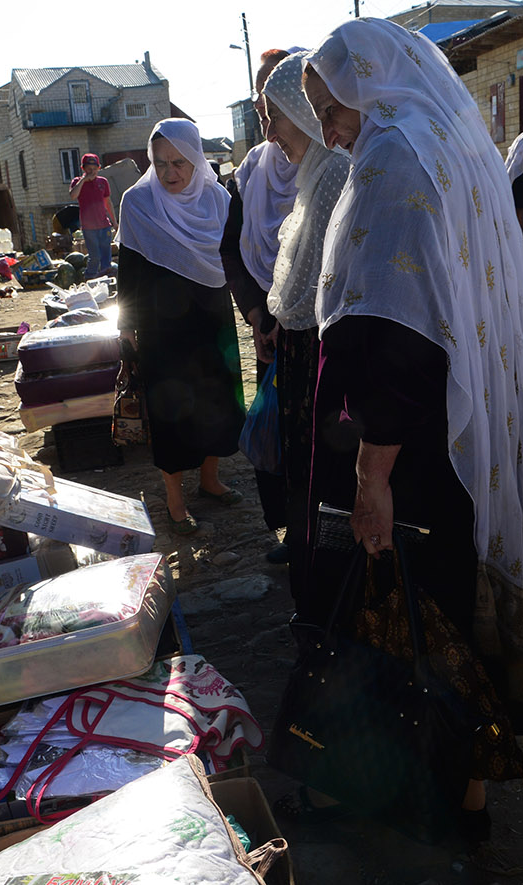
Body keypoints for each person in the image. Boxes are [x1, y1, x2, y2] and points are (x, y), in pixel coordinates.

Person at [291, 18, 523, 846]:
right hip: (453, 429)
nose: (330, 130)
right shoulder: (450, 141)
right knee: (449, 605)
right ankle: (468, 794)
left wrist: (371, 480)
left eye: (333, 107)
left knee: (407, 619)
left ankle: (398, 787)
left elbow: (397, 339)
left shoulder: (394, 155)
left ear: (370, 84)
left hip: (408, 447)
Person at [116, 119, 245, 536]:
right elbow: (129, 269)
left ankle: (210, 479)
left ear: (197, 160)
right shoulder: (138, 203)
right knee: (171, 408)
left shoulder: (219, 201)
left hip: (211, 315)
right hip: (160, 323)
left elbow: (235, 260)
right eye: (160, 163)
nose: (170, 173)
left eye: (179, 162)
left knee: (217, 397)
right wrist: (127, 326)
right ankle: (174, 499)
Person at [260, 49, 351, 610]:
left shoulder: (335, 169)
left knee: (320, 477)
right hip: (302, 345)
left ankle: (324, 598)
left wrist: (283, 317)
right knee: (305, 475)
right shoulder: (316, 171)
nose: (270, 132)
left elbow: (319, 281)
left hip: (321, 347)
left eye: (276, 115)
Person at [220, 47, 297, 554]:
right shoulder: (250, 174)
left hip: (319, 323)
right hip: (268, 323)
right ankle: (291, 530)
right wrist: (256, 314)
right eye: (261, 104)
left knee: (323, 432)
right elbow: (232, 250)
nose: (267, 116)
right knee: (275, 427)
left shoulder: (334, 164)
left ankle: (325, 527)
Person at [68, 154, 117, 280]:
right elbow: (73, 195)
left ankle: (106, 281)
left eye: (94, 168)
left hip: (104, 225)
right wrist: (83, 180)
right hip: (89, 227)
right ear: (83, 169)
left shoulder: (103, 182)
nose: (92, 171)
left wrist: (114, 222)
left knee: (106, 256)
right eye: (89, 169)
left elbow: (108, 203)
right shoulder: (77, 182)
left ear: (99, 168)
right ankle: (90, 279)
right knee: (94, 256)